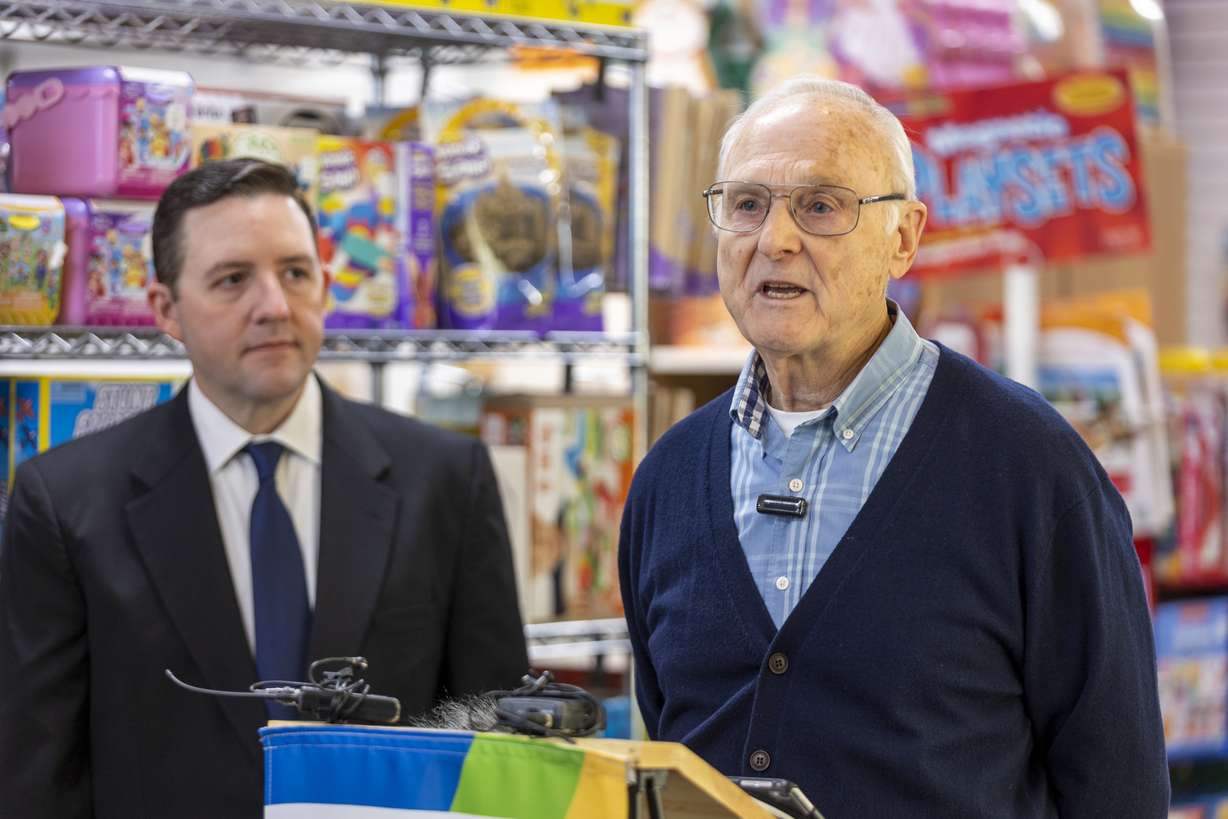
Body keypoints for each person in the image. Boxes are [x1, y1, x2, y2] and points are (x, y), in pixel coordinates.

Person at [618, 77, 1169, 817]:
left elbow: (1117, 786)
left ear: (904, 237)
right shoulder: (669, 476)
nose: (774, 239)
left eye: (821, 206)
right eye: (747, 204)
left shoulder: (1031, 469)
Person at [0, 159, 529, 818]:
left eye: (295, 273)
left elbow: (505, 748)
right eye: (232, 280)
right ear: (165, 308)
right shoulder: (66, 501)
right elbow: (38, 773)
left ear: (325, 287)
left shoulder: (447, 478)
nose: (274, 306)